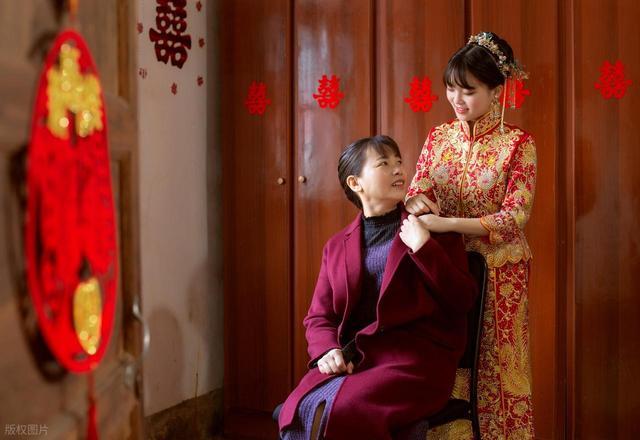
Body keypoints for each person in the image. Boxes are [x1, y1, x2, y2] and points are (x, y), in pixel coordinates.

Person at [278, 135, 477, 439]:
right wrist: (326, 350)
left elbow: (463, 299)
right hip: (356, 359)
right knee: (301, 409)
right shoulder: (336, 246)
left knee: (341, 411)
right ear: (355, 183)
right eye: (384, 163)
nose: (398, 170)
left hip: (415, 361)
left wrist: (424, 248)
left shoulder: (431, 228)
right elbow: (319, 316)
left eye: (399, 162)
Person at [405, 31, 537, 439]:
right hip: (444, 268)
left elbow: (514, 217)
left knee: (497, 365)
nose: (457, 100)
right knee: (446, 361)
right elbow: (417, 188)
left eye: (468, 91)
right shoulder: (438, 138)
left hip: (499, 274)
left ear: (497, 90)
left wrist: (447, 224)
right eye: (451, 89)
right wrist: (416, 202)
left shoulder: (518, 145)